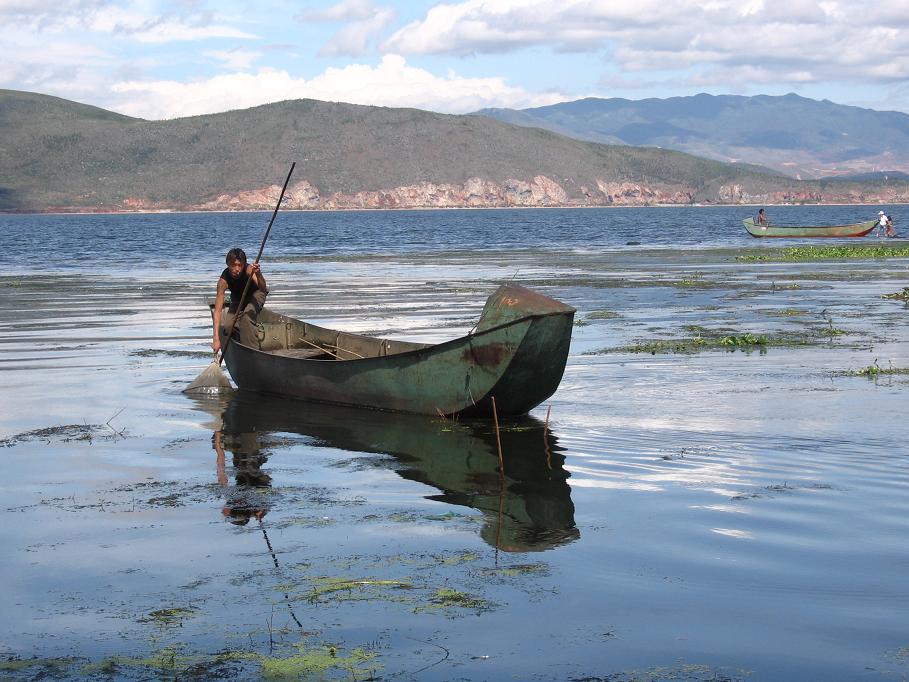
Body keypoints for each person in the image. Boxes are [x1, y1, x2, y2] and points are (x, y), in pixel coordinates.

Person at [212, 247, 268, 355]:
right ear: (228, 264)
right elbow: (218, 311)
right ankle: (242, 341)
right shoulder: (223, 281)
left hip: (256, 294)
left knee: (246, 318)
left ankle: (253, 352)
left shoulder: (249, 270)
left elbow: (263, 289)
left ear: (244, 265)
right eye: (233, 265)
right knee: (227, 327)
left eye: (240, 265)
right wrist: (216, 339)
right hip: (238, 298)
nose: (237, 269)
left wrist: (259, 274)